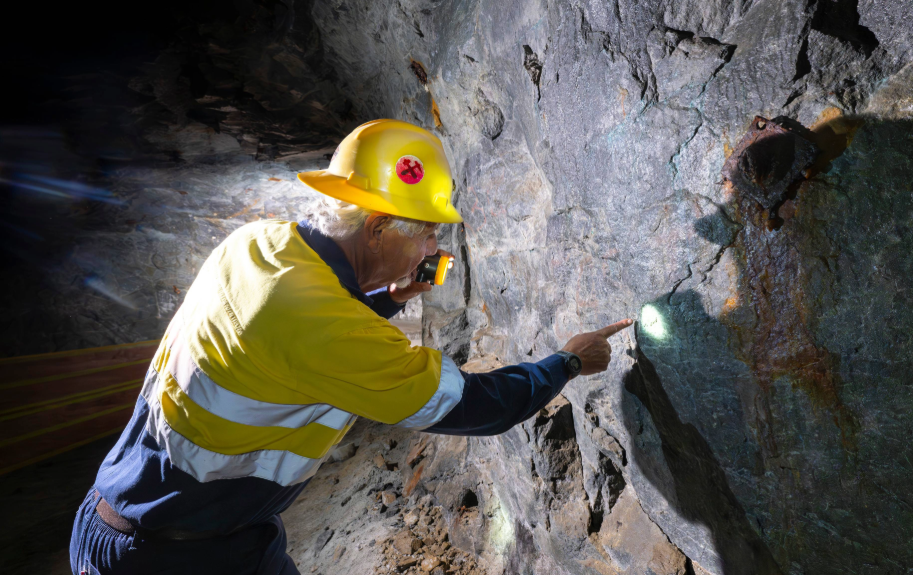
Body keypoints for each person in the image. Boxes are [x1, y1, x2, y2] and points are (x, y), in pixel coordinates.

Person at [69, 119, 632, 574]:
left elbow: (289, 346)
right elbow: (474, 406)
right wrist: (569, 361)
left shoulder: (256, 244)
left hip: (134, 521)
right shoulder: (327, 327)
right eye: (427, 233)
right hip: (177, 558)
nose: (432, 249)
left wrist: (387, 299)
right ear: (379, 227)